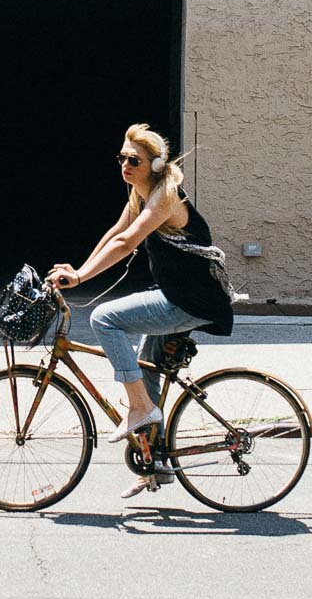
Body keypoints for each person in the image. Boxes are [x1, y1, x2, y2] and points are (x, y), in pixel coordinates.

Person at [47, 123, 235, 499]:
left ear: (155, 163)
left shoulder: (164, 196)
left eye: (134, 160)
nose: (125, 165)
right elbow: (114, 232)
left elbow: (128, 241)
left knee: (105, 318)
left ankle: (139, 410)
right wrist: (77, 271)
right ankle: (154, 463)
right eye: (122, 158)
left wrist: (82, 278)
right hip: (175, 293)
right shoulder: (139, 193)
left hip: (191, 300)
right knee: (146, 375)